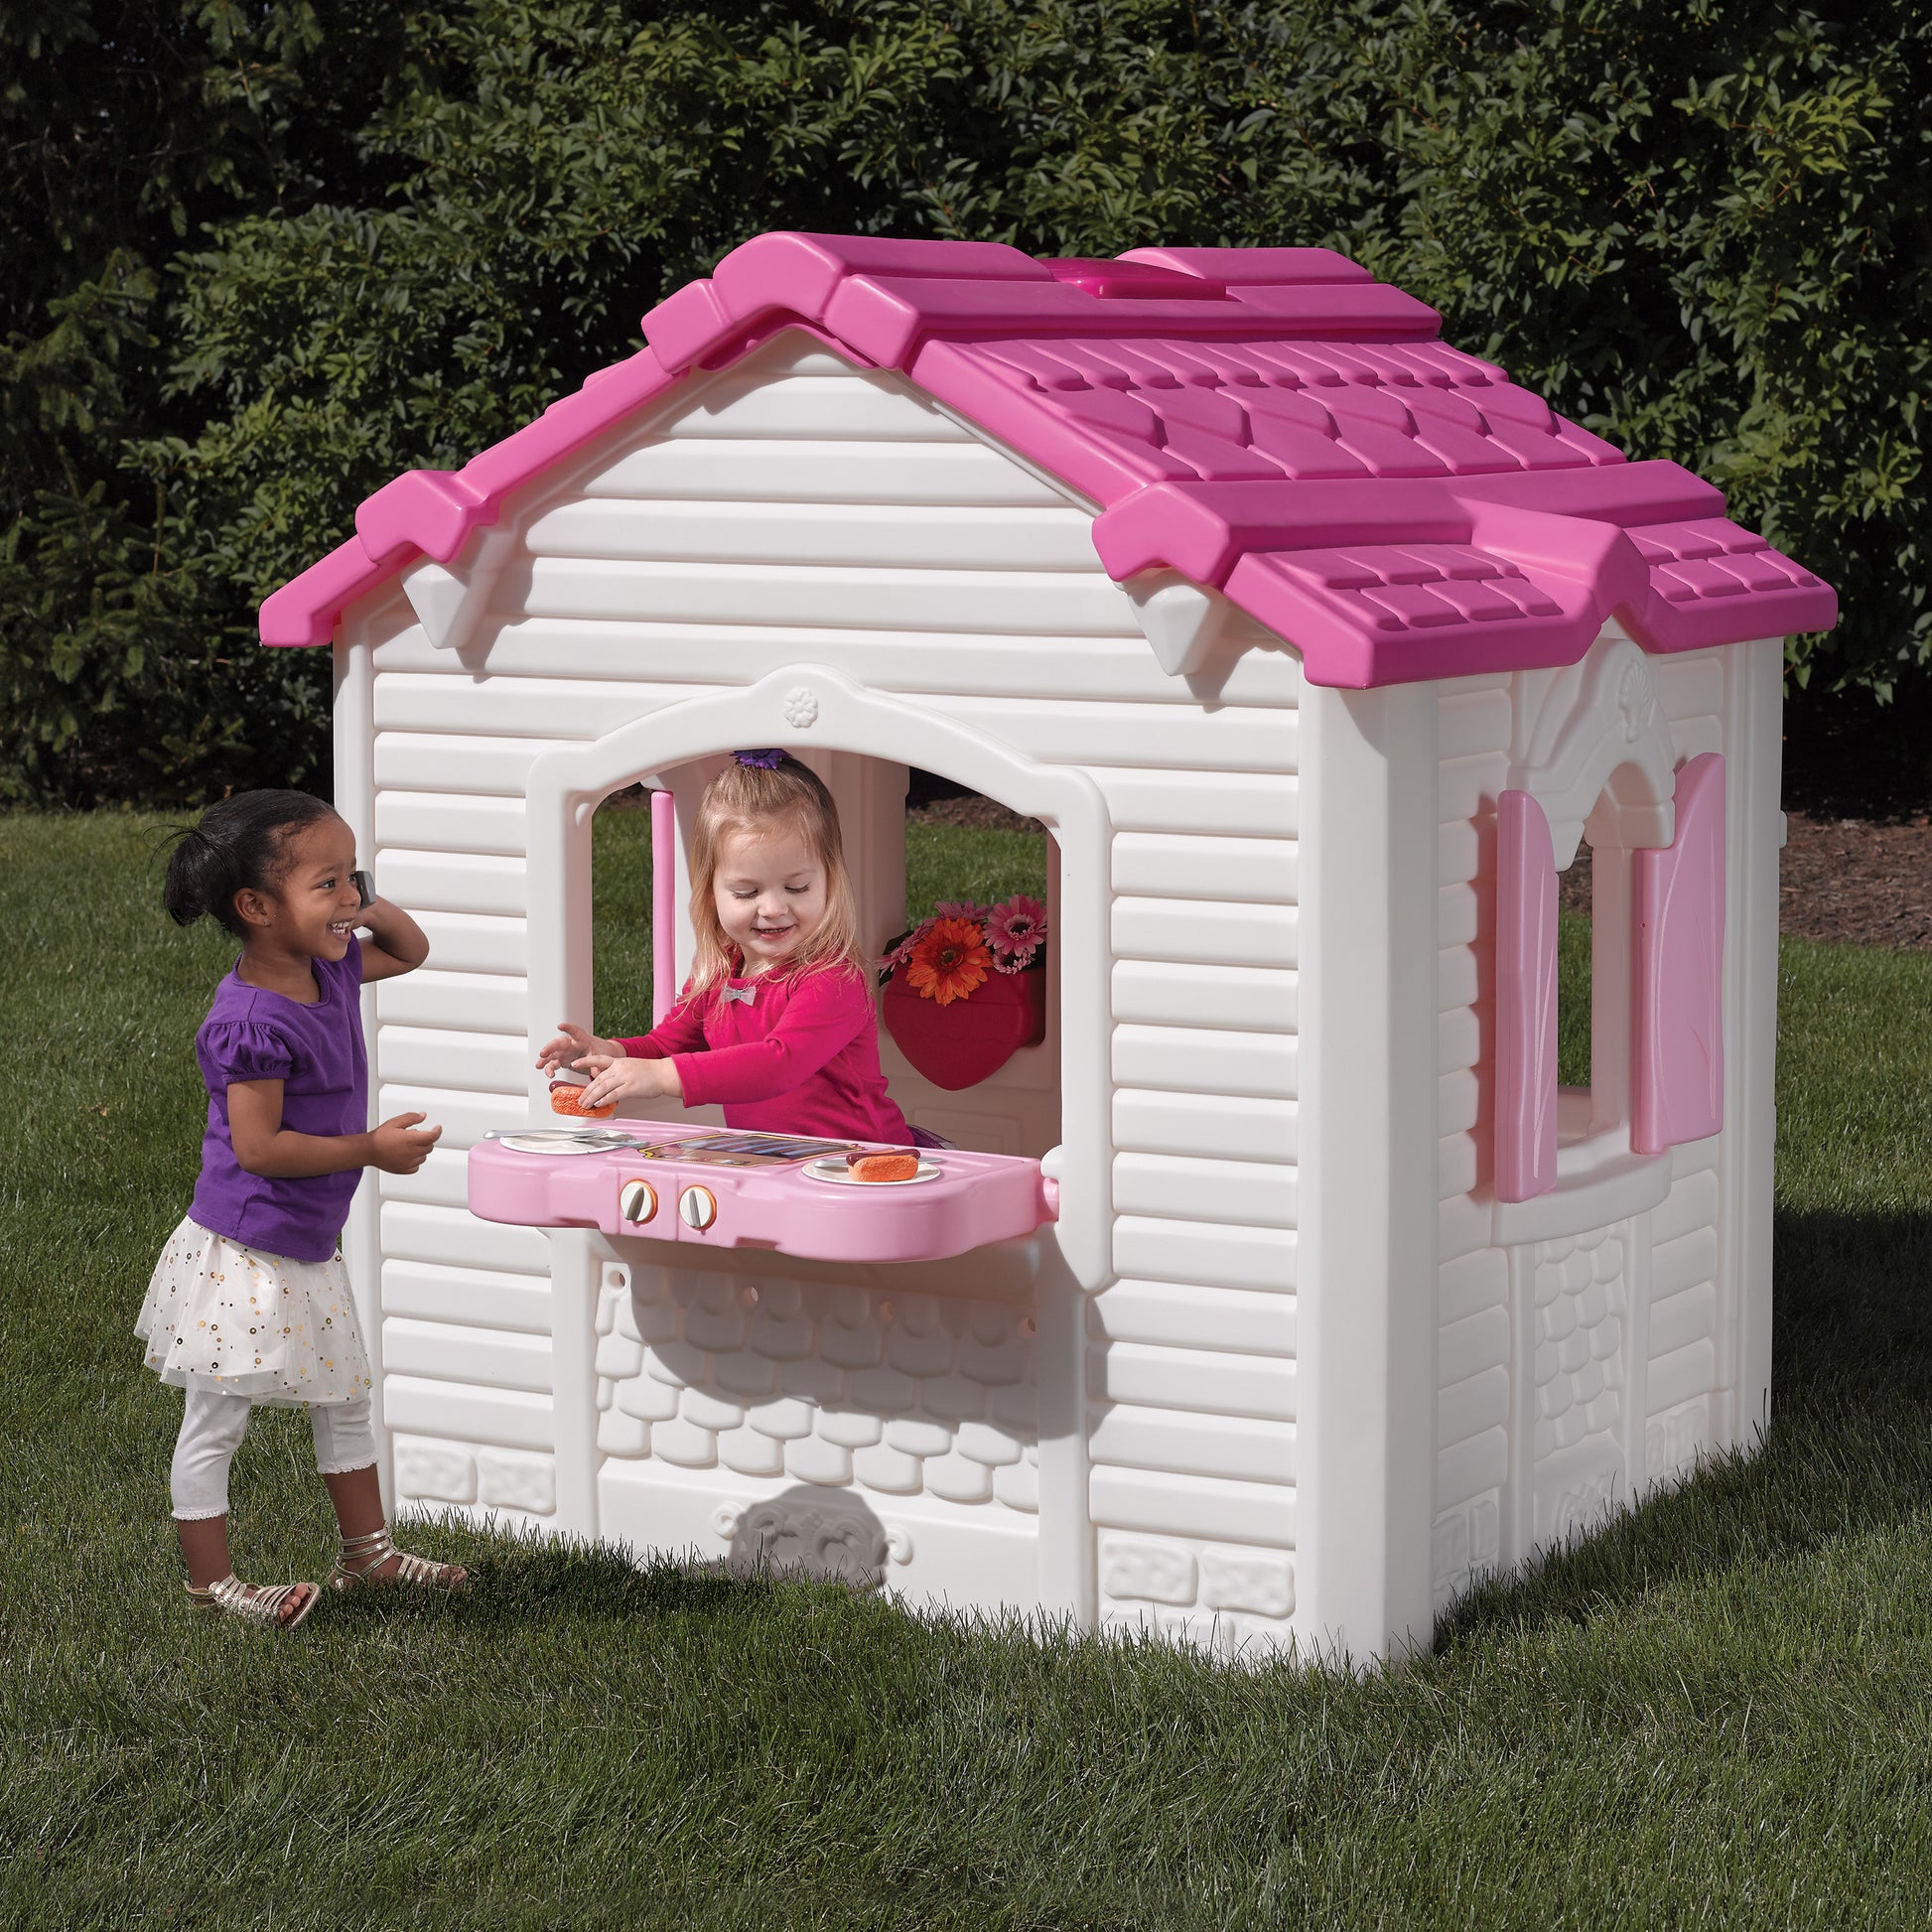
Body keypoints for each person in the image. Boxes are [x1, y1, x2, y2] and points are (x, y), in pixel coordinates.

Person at [142, 789, 464, 1630]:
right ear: (256, 908)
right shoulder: (250, 1021)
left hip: (307, 1242)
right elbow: (259, 1148)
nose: (349, 897)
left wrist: (360, 903)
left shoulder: (332, 968)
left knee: (345, 1398)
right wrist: (369, 1149)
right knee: (217, 1416)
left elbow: (412, 949)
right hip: (245, 1249)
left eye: (353, 876)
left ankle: (369, 1556)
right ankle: (211, 1586)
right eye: (328, 884)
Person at [539, 751, 929, 1146]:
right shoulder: (721, 970)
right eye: (746, 892)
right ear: (711, 895)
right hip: (775, 1159)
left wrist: (661, 1077)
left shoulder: (832, 978)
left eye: (797, 888)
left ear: (830, 882)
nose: (773, 908)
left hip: (862, 1160)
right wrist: (610, 1052)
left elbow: (778, 1064)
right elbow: (665, 1045)